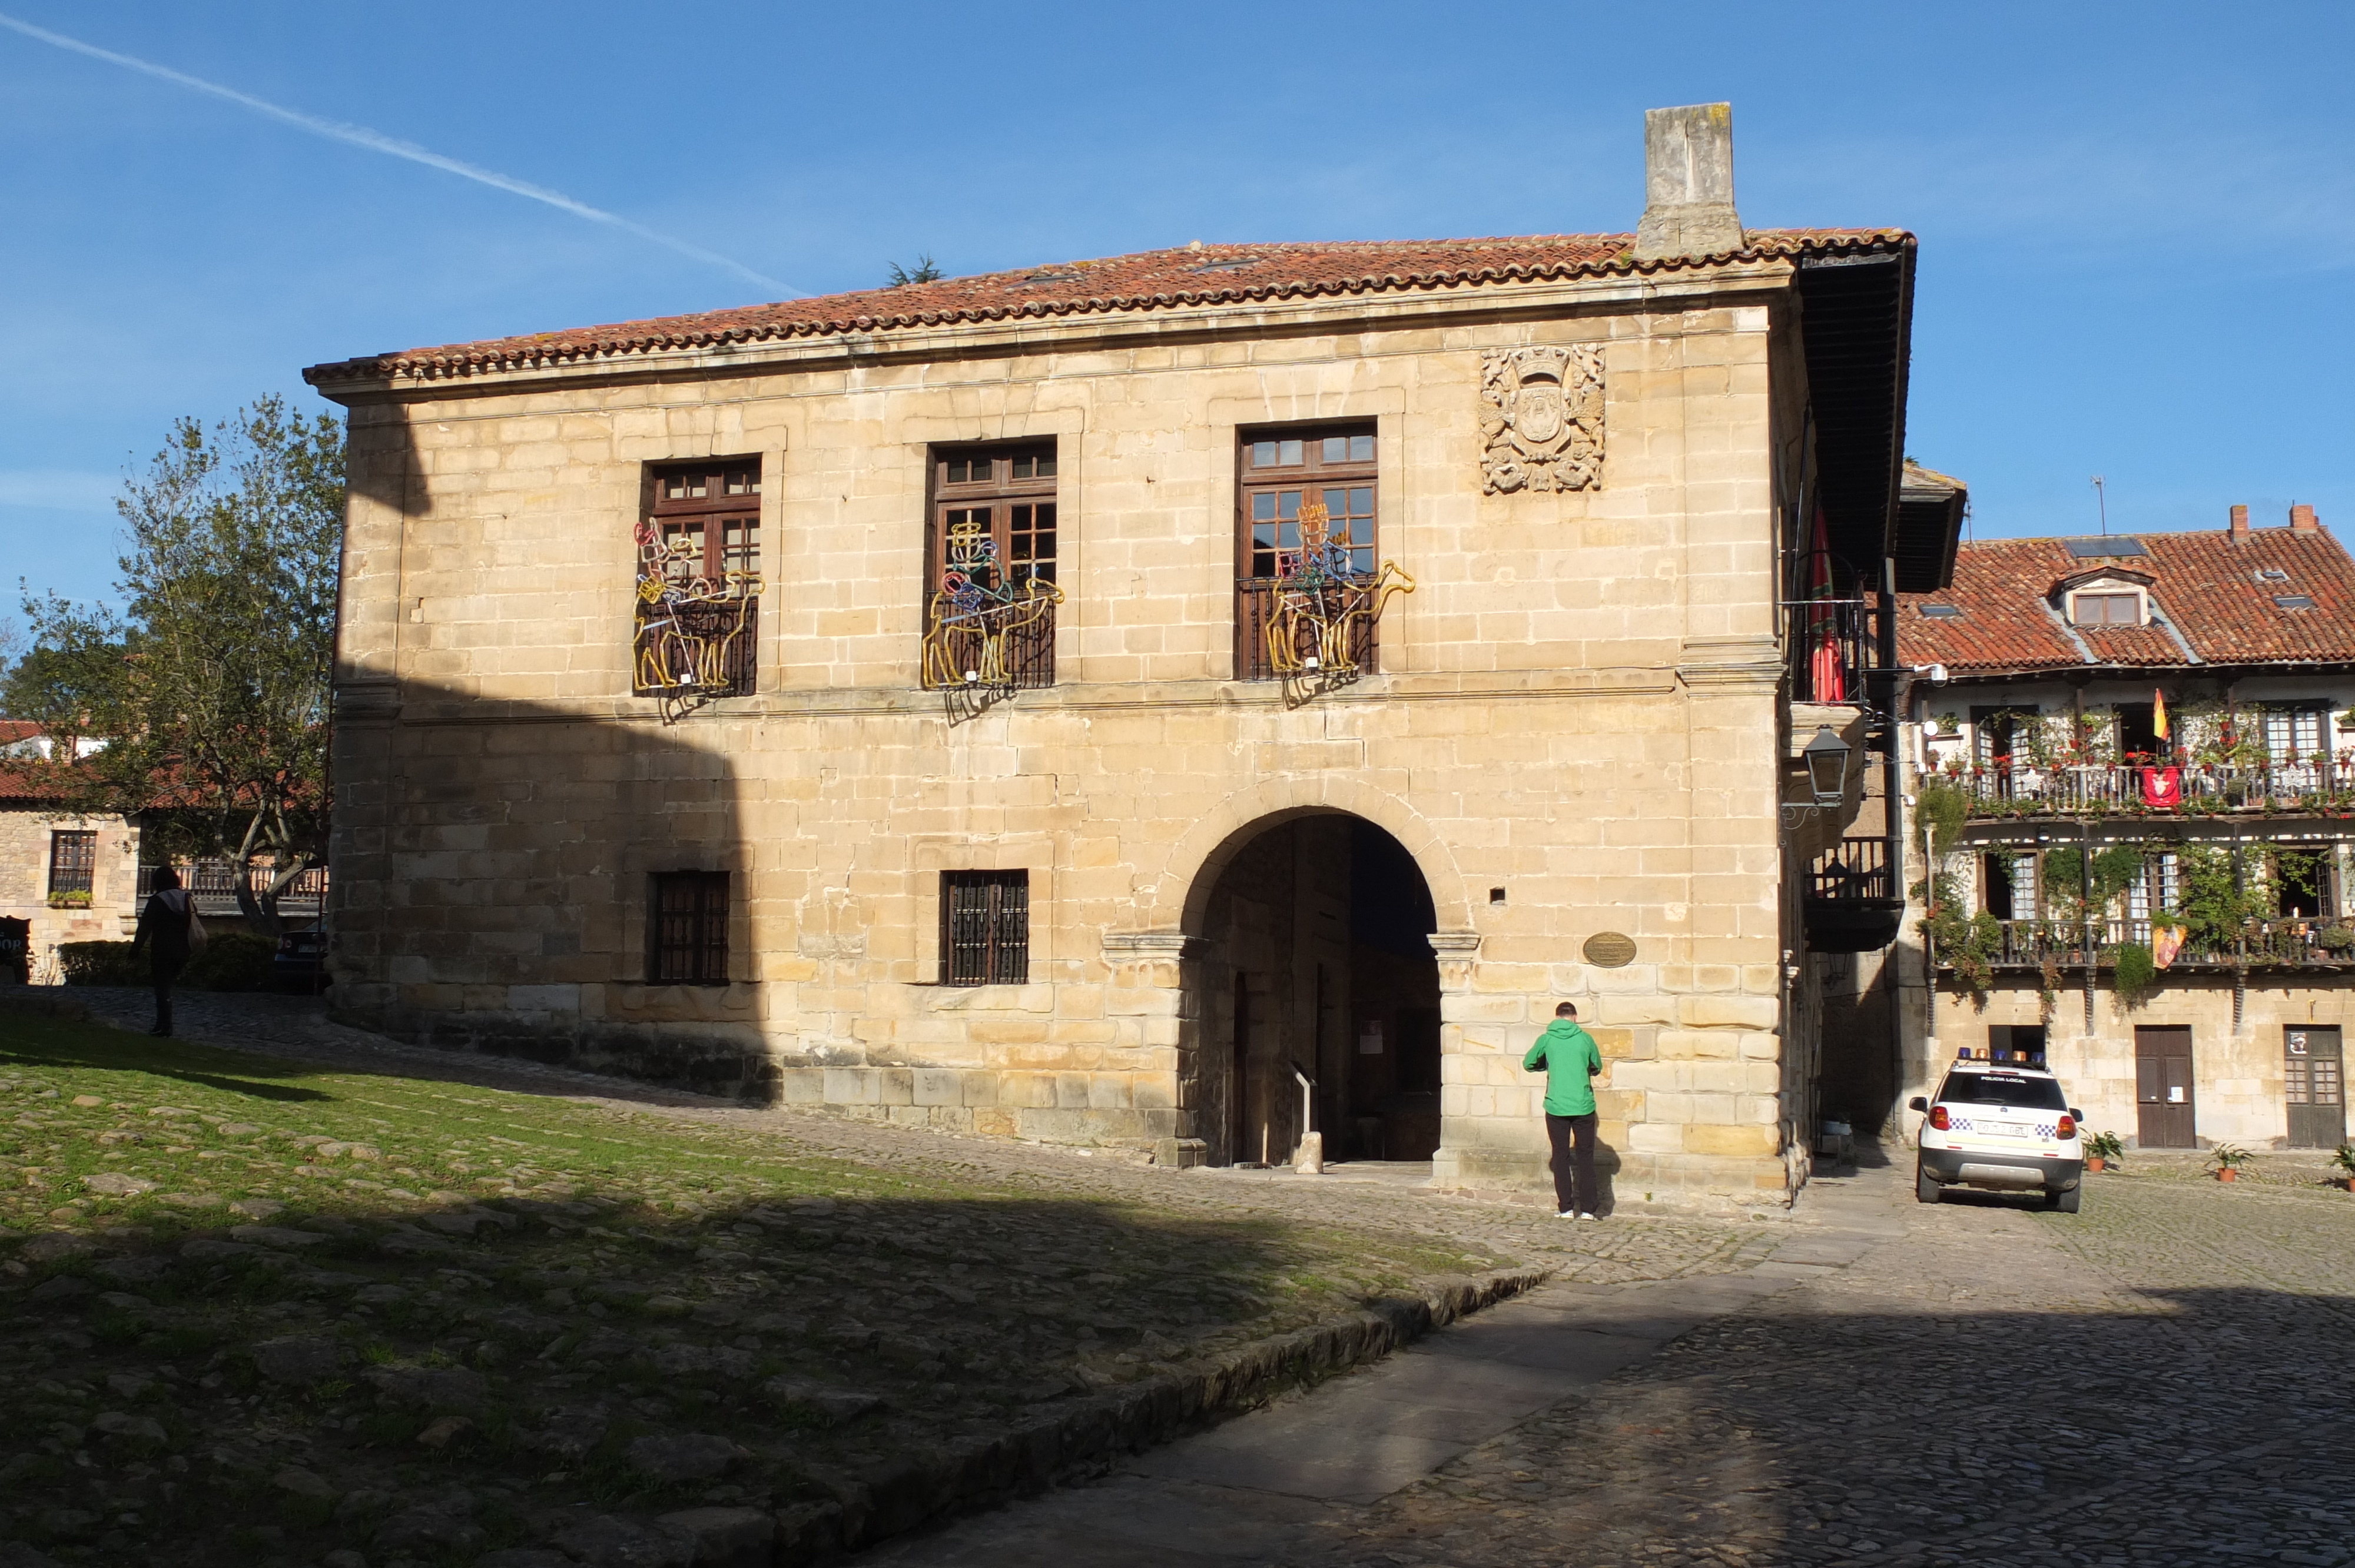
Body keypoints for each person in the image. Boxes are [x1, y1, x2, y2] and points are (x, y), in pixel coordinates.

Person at [1523, 1000, 1603, 1220]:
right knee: (1586, 1157)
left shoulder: (1547, 1039)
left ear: (1557, 1017)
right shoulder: (1585, 1039)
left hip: (1556, 1105)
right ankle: (1588, 1210)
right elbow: (1597, 1066)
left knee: (1560, 1156)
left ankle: (1566, 1208)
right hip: (1583, 1105)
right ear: (1575, 1017)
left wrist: (1547, 1065)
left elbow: (1529, 1063)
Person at [130, 865, 197, 1037]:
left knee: (162, 987)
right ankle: (164, 1024)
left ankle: (164, 1025)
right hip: (183, 950)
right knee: (167, 986)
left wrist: (135, 950)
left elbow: (145, 928)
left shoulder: (157, 901)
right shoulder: (186, 899)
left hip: (162, 949)